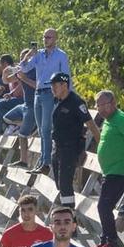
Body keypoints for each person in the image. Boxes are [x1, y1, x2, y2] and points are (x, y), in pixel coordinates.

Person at [90, 89, 124, 247]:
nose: (101, 109)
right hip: (109, 171)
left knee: (104, 206)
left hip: (119, 171)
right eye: (98, 106)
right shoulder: (108, 120)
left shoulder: (121, 118)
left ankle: (112, 242)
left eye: (104, 105)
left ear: (113, 103)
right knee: (104, 206)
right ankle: (106, 240)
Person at [21, 28, 70, 167]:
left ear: (55, 39)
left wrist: (67, 95)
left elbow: (66, 76)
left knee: (46, 127)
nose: (45, 39)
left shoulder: (61, 55)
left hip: (51, 92)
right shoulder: (39, 55)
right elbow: (24, 68)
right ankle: (43, 160)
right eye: (44, 37)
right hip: (38, 93)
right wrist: (28, 55)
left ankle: (46, 161)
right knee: (41, 129)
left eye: (48, 37)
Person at [46, 72, 91, 201]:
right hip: (58, 148)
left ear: (64, 85)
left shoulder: (76, 102)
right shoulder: (57, 101)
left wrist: (101, 144)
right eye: (51, 86)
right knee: (59, 184)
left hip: (70, 149)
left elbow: (91, 124)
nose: (52, 89)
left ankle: (69, 212)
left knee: (66, 185)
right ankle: (66, 208)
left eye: (55, 85)